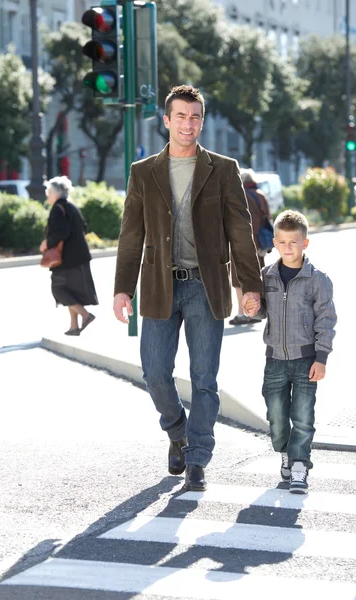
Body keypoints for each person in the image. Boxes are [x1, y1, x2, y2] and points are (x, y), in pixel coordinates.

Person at [113, 85, 262, 491]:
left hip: (206, 287)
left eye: (195, 116)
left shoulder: (222, 169)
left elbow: (241, 233)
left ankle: (197, 457)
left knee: (204, 379)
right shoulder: (143, 172)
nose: (188, 123)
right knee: (155, 373)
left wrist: (250, 286)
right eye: (180, 116)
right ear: (166, 120)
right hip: (160, 286)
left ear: (201, 121)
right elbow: (131, 235)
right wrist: (122, 288)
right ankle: (177, 430)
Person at [244, 210, 336, 494]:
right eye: (282, 242)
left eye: (293, 242)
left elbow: (326, 320)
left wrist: (321, 358)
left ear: (304, 244)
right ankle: (285, 451)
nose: (287, 248)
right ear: (275, 241)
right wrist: (252, 310)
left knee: (304, 416)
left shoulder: (317, 279)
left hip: (306, 360)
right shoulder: (266, 276)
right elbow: (260, 313)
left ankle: (299, 466)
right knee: (276, 415)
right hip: (274, 361)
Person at [40, 176, 98, 336]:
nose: (47, 194)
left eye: (49, 191)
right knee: (71, 291)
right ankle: (74, 326)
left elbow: (62, 232)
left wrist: (47, 243)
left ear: (56, 192)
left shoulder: (58, 209)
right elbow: (83, 228)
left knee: (59, 289)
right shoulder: (71, 207)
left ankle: (85, 315)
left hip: (67, 259)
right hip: (79, 256)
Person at [229, 169, 271, 325]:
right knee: (257, 277)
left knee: (238, 280)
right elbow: (268, 216)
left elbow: (244, 222)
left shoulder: (243, 196)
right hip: (259, 244)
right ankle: (257, 310)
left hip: (242, 244)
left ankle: (243, 313)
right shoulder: (260, 194)